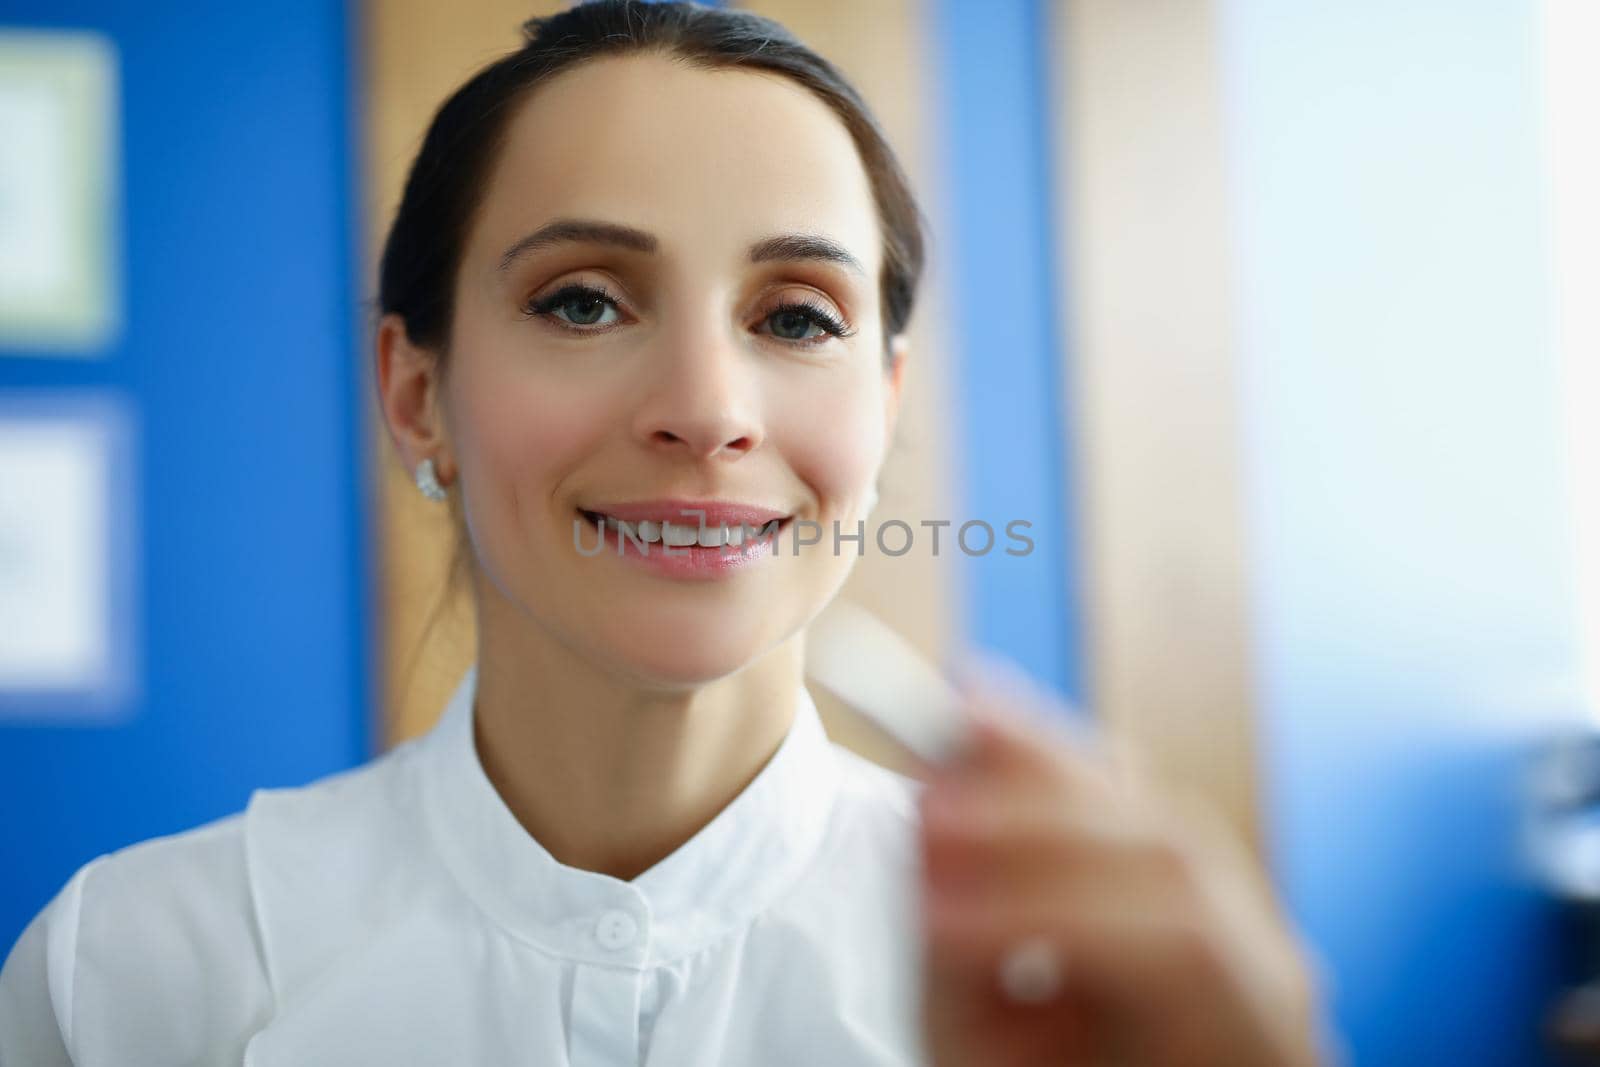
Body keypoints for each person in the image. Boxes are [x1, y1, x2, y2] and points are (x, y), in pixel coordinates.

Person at [0, 2, 1328, 1063]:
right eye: (583, 302)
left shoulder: (1077, 996)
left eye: (797, 317)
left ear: (885, 400)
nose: (705, 410)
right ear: (417, 396)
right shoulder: (121, 975)